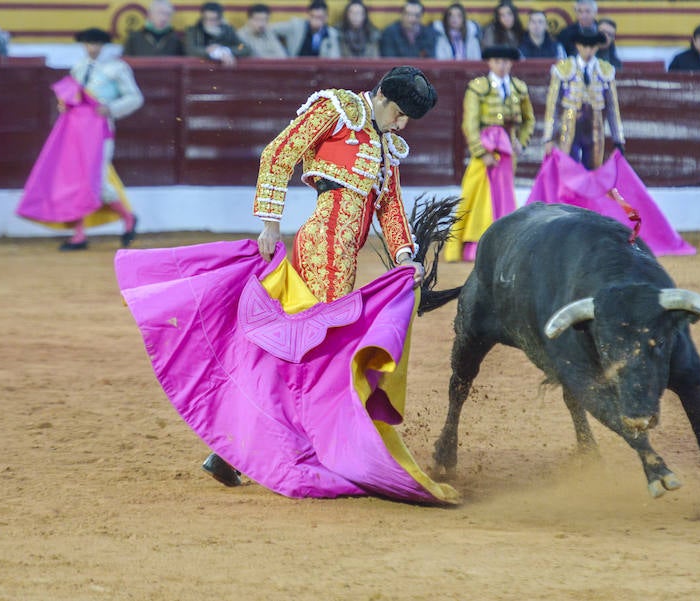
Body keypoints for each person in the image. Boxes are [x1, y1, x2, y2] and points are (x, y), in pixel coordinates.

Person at [199, 66, 438, 486]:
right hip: (324, 244)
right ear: (381, 96)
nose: (401, 125)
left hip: (342, 252)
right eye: (399, 114)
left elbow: (392, 205)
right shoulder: (340, 108)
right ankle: (303, 447)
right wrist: (270, 223)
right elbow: (279, 152)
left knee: (304, 345)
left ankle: (232, 450)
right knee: (322, 348)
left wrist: (404, 255)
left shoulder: (384, 145)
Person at [17, 28, 143, 251]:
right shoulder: (80, 67)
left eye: (95, 44)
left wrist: (111, 108)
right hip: (77, 132)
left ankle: (128, 217)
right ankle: (79, 235)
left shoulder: (117, 68)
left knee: (98, 181)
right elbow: (72, 96)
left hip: (101, 131)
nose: (91, 48)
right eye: (88, 44)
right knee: (75, 180)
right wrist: (64, 104)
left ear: (104, 46)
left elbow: (135, 98)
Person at [444, 45, 534, 263]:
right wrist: (480, 151)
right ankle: (472, 245)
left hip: (506, 151)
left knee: (503, 195)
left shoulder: (519, 88)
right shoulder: (478, 87)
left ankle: (503, 242)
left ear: (511, 63)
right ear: (490, 63)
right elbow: (470, 123)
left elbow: (528, 119)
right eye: (497, 61)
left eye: (505, 61)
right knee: (475, 194)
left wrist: (520, 143)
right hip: (485, 149)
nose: (501, 65)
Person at [543, 31, 624, 170]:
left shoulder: (606, 70)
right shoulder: (563, 68)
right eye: (584, 46)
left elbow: (612, 107)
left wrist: (618, 139)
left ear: (597, 47)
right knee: (569, 169)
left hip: (595, 126)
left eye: (592, 46)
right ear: (578, 46)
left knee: (593, 170)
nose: (588, 50)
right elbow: (552, 105)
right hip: (570, 124)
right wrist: (548, 137)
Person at [185, 2, 251, 66]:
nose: (209, 22)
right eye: (206, 19)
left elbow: (242, 47)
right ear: (202, 17)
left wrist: (226, 50)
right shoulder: (193, 31)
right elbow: (191, 49)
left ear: (220, 19)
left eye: (213, 19)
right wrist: (211, 51)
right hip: (200, 68)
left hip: (224, 70)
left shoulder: (228, 31)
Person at [272, 0, 340, 58]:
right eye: (313, 16)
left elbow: (334, 58)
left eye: (320, 17)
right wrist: (282, 53)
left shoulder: (332, 34)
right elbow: (271, 29)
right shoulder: (296, 26)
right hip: (296, 68)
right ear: (308, 16)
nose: (316, 21)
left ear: (326, 17)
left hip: (321, 71)